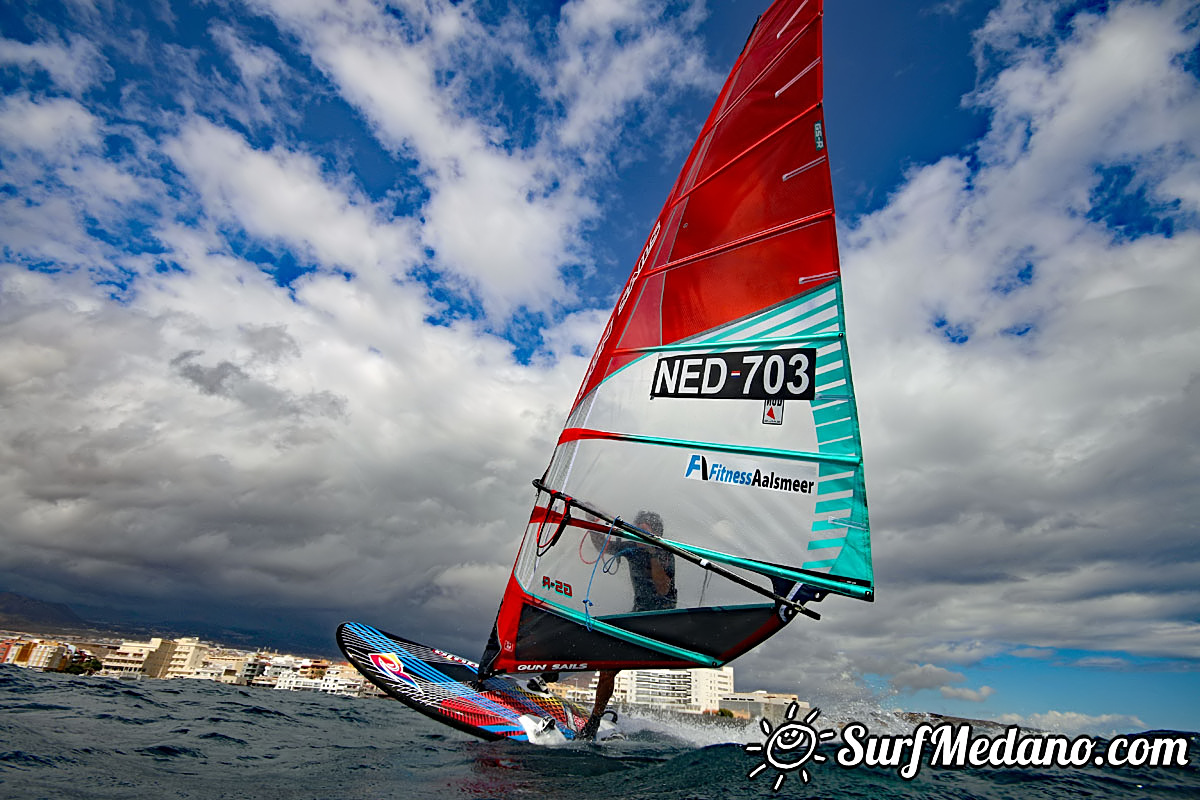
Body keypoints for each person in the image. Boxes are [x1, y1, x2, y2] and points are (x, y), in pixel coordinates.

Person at [578, 510, 676, 740]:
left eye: (644, 530)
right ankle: (594, 722)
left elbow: (663, 589)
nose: (639, 534)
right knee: (608, 667)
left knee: (610, 665)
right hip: (638, 616)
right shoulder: (633, 550)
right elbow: (604, 546)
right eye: (637, 528)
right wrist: (593, 525)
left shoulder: (665, 554)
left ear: (656, 534)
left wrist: (651, 550)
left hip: (664, 619)